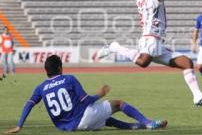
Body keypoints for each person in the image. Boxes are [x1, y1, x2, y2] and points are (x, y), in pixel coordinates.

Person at [98, 0, 202, 106]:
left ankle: (198, 96)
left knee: (186, 62)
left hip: (157, 43)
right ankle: (115, 47)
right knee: (143, 62)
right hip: (150, 38)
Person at [5, 55, 167, 134]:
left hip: (68, 128)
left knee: (106, 119)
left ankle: (134, 126)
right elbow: (85, 100)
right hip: (83, 118)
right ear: (60, 68)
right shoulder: (68, 79)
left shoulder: (40, 88)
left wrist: (20, 125)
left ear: (46, 71)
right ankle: (147, 122)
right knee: (118, 103)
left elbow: (29, 104)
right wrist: (99, 94)